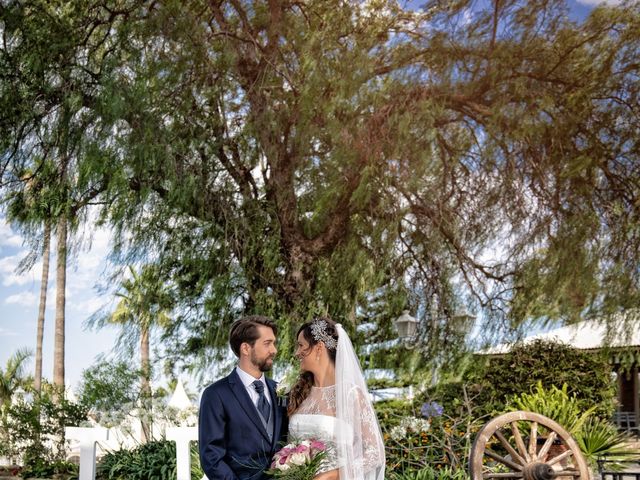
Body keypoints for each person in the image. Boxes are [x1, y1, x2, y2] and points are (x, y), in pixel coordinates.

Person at [287, 317, 385, 480]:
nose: (297, 353)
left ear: (319, 348)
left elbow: (376, 452)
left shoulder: (350, 394)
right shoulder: (299, 393)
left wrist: (332, 475)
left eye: (301, 345)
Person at [199, 315, 288, 480]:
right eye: (267, 343)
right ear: (246, 349)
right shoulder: (216, 395)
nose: (274, 350)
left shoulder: (282, 391)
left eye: (274, 343)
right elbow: (211, 457)